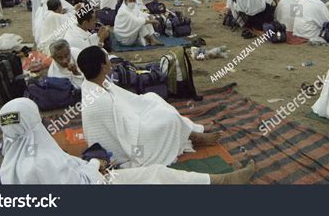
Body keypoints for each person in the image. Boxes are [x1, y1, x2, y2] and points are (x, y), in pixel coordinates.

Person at [0, 97, 254, 185]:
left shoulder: (11, 163)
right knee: (157, 174)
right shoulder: (40, 161)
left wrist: (92, 167)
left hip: (94, 177)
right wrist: (95, 167)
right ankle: (223, 181)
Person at [77, 46, 231, 169]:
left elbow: (127, 101)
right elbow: (123, 131)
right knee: (168, 119)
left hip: (127, 121)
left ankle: (189, 132)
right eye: (107, 59)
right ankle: (194, 136)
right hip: (126, 146)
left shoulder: (94, 83)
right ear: (103, 66)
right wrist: (141, 114)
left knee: (151, 98)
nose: (111, 62)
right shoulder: (99, 99)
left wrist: (141, 108)